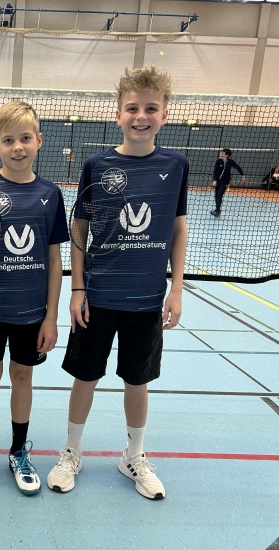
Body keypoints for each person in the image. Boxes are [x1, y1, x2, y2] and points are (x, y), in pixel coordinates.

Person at [47, 65, 188, 500]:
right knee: (85, 377)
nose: (141, 116)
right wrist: (77, 289)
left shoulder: (176, 165)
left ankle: (134, 456)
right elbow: (79, 227)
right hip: (98, 297)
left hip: (147, 299)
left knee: (136, 381)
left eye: (151, 108)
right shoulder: (97, 165)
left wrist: (177, 288)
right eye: (132, 108)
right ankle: (71, 452)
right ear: (118, 114)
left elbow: (178, 227)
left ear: (165, 115)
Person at [0, 101, 68, 496]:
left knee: (23, 377)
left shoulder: (51, 194)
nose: (17, 147)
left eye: (24, 138)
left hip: (31, 314)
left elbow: (55, 260)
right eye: (8, 140)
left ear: (39, 141)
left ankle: (19, 451)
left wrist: (51, 317)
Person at [209, 147, 243, 218]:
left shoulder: (230, 162)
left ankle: (217, 211)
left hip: (225, 181)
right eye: (221, 153)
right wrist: (214, 180)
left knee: (220, 194)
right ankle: (217, 209)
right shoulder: (218, 161)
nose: (221, 154)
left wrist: (242, 175)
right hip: (218, 181)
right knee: (216, 195)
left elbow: (238, 167)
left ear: (227, 155)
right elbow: (215, 171)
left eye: (223, 153)